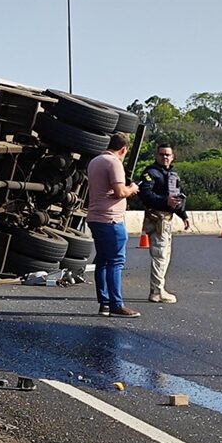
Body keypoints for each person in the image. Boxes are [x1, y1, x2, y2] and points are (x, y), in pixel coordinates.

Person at [86, 133, 140, 318]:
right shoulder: (114, 162)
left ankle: (105, 303)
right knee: (116, 261)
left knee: (102, 261)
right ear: (124, 149)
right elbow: (119, 192)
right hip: (110, 219)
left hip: (95, 217)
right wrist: (132, 189)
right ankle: (117, 304)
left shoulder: (95, 161)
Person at [137, 143, 191, 303]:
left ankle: (158, 288)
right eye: (161, 154)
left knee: (165, 256)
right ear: (156, 156)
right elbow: (145, 194)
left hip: (168, 219)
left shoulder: (172, 175)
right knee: (159, 255)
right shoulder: (150, 173)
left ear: (173, 157)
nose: (165, 157)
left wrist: (183, 215)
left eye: (168, 155)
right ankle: (156, 291)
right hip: (156, 218)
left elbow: (175, 198)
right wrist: (163, 200)